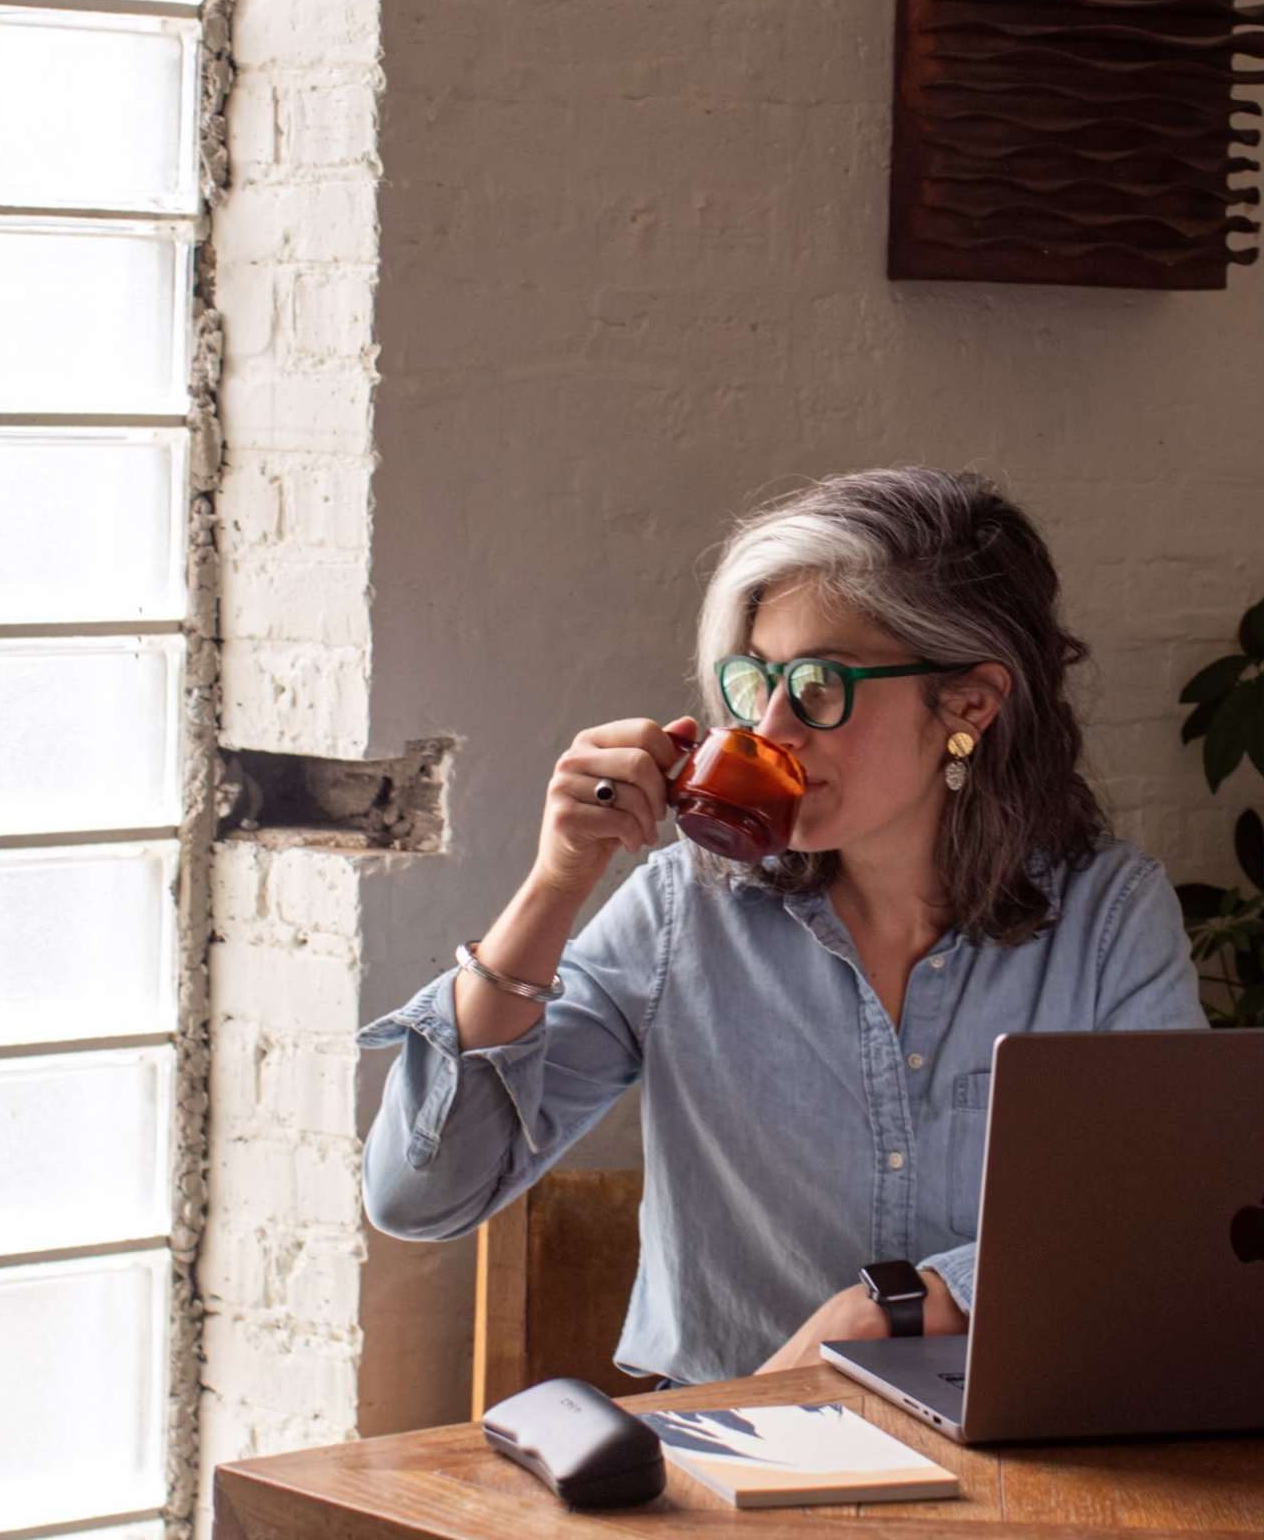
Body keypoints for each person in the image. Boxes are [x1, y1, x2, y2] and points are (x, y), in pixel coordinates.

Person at [358, 466, 1209, 1385]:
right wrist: (558, 882)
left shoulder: (1108, 919)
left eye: (817, 686)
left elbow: (1166, 1217)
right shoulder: (686, 909)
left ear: (969, 704)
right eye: (755, 679)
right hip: (732, 1469)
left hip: (1021, 1462)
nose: (769, 728)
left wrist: (889, 1308)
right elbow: (420, 1195)